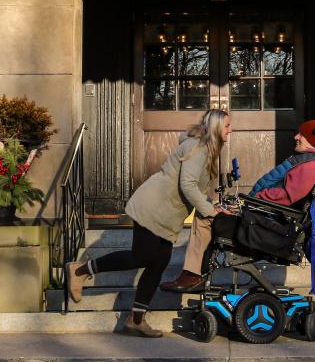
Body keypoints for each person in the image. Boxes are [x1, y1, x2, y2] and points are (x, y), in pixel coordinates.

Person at [66, 109, 232, 337]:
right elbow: (188, 186)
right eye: (227, 126)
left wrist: (213, 205)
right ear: (215, 128)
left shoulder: (205, 150)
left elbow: (197, 189)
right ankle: (80, 270)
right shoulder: (200, 149)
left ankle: (136, 320)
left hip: (165, 213)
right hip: (153, 207)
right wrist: (210, 211)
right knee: (141, 257)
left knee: (159, 261)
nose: (230, 130)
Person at [160, 119, 315, 293]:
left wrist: (253, 200)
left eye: (301, 135)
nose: (296, 137)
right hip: (264, 215)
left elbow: (287, 196)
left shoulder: (309, 164)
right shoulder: (312, 161)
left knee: (205, 217)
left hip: (267, 224)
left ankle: (193, 276)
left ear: (314, 138)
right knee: (214, 211)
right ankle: (197, 274)